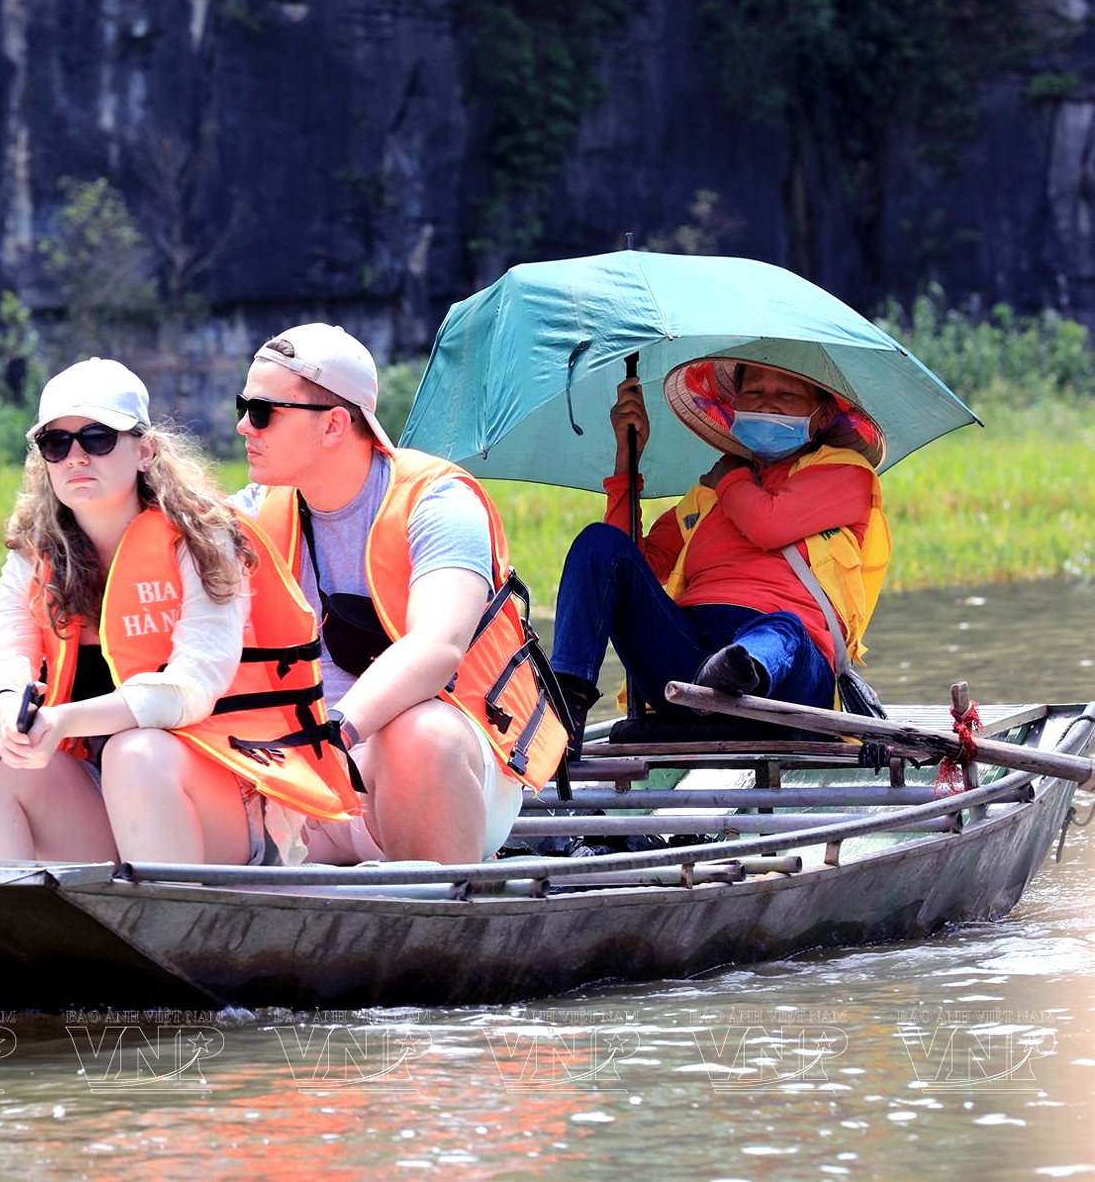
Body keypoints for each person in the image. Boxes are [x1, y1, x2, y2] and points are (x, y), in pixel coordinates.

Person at [0, 358, 360, 867]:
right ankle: (13, 935)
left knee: (134, 753)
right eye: (57, 444)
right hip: (103, 810)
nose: (76, 457)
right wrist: (4, 709)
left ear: (144, 450)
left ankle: (175, 931)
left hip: (224, 804)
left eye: (97, 439)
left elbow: (191, 690)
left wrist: (63, 720)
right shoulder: (34, 555)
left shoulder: (204, 542)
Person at [231, 324, 567, 866]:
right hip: (303, 780)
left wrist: (334, 733)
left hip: (436, 773)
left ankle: (437, 921)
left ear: (335, 424)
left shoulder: (439, 503)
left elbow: (437, 646)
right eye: (242, 405)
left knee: (418, 733)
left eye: (264, 410)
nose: (244, 425)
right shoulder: (252, 511)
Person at [548, 358, 891, 745]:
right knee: (598, 543)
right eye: (755, 393)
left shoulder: (845, 472)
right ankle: (566, 704)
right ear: (735, 406)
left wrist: (729, 475)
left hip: (790, 673)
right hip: (689, 662)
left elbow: (767, 523)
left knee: (783, 629)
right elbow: (625, 568)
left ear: (823, 413)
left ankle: (737, 673)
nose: (766, 404)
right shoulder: (702, 500)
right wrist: (627, 461)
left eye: (786, 394)